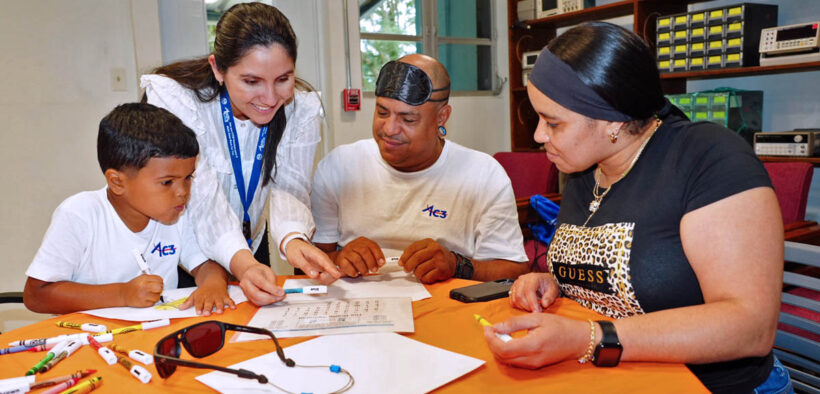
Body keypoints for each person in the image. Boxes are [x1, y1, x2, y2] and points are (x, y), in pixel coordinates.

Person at [482, 22, 789, 393]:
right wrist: (553, 283)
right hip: (613, 378)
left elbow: (749, 326)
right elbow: (615, 281)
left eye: (553, 123)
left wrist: (589, 338)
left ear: (612, 120)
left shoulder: (708, 158)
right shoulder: (586, 169)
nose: (538, 136)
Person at [141, 2, 341, 305]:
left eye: (283, 79)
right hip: (186, 251)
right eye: (251, 82)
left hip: (250, 246)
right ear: (218, 68)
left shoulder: (300, 109)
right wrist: (241, 263)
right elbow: (201, 197)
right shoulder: (179, 101)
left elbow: (290, 186)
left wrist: (293, 238)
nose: (270, 98)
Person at [311, 54, 530, 284]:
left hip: (448, 309)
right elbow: (309, 263)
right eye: (382, 112)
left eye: (407, 119)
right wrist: (340, 258)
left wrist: (456, 265)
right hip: (360, 310)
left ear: (441, 117)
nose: (390, 129)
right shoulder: (339, 167)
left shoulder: (483, 175)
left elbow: (514, 271)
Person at [24, 103, 234, 315]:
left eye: (188, 177)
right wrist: (122, 294)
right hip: (87, 338)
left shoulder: (176, 213)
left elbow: (206, 264)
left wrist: (212, 285)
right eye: (167, 182)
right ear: (117, 182)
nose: (182, 192)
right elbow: (36, 295)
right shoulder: (80, 214)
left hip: (151, 336)